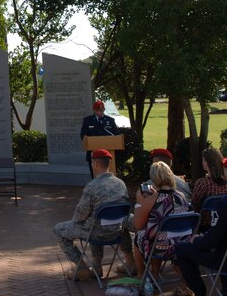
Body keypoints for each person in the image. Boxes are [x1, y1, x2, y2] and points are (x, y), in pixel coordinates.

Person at [53, 148, 134, 280]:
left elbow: (80, 216)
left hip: (96, 233)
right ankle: (126, 262)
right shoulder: (121, 184)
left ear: (96, 164)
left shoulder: (92, 186)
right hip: (117, 231)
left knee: (59, 229)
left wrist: (77, 220)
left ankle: (81, 268)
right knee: (114, 218)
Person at [132, 161, 190, 281]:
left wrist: (140, 203)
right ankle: (179, 282)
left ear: (153, 179)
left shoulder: (152, 199)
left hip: (160, 246)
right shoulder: (181, 196)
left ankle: (141, 275)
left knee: (140, 236)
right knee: (157, 233)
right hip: (181, 243)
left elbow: (137, 225)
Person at [175, 193, 227, 296]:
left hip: (223, 259)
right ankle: (224, 295)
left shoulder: (225, 202)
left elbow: (213, 239)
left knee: (182, 249)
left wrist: (197, 240)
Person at [80, 100, 119, 178]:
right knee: (95, 177)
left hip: (108, 153)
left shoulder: (110, 120)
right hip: (93, 153)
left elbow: (116, 135)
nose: (100, 112)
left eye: (102, 110)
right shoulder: (88, 120)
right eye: (98, 110)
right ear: (94, 110)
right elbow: (83, 135)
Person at [191, 147, 227, 215]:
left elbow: (194, 205)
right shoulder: (225, 184)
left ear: (206, 162)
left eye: (203, 159)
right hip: (222, 222)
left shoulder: (203, 184)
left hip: (204, 223)